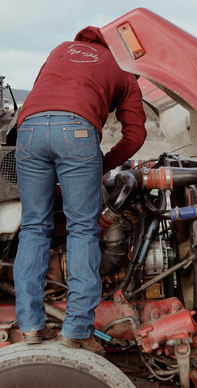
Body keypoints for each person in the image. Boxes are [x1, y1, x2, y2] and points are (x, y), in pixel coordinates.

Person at [13, 26, 147, 354]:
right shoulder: (122, 68)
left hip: (28, 130)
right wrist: (101, 166)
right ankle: (75, 331)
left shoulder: (61, 49)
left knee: (33, 228)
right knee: (83, 231)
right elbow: (135, 135)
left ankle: (30, 327)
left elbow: (42, 95)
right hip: (77, 132)